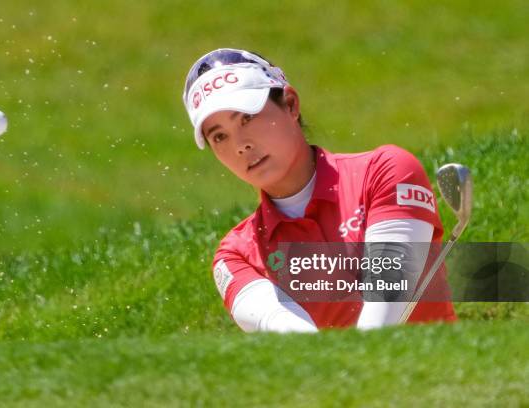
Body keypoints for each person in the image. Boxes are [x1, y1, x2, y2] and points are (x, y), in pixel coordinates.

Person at [181, 48, 456, 332]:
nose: (240, 145)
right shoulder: (236, 256)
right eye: (220, 136)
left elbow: (385, 309)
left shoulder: (385, 171)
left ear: (290, 104)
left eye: (247, 118)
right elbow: (296, 340)